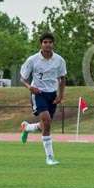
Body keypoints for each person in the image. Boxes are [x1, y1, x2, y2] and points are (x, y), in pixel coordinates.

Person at [19, 33, 66, 166]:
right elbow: (23, 77)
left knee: (45, 124)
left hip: (52, 94)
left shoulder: (59, 60)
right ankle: (50, 158)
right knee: (46, 120)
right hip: (38, 93)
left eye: (50, 42)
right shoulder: (32, 60)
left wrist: (61, 95)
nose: (47, 44)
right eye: (45, 42)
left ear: (53, 44)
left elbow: (63, 78)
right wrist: (30, 87)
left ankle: (27, 127)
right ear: (41, 44)